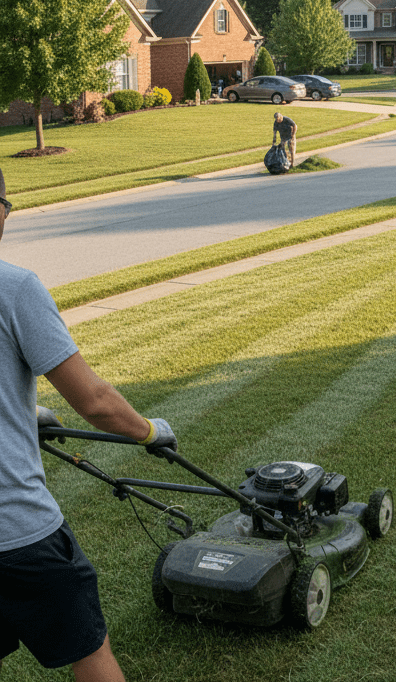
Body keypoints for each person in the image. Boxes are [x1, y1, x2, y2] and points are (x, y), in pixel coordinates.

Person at [0, 167, 177, 681]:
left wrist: (24, 412)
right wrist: (148, 431)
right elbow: (95, 402)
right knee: (88, 648)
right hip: (18, 534)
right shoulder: (14, 289)